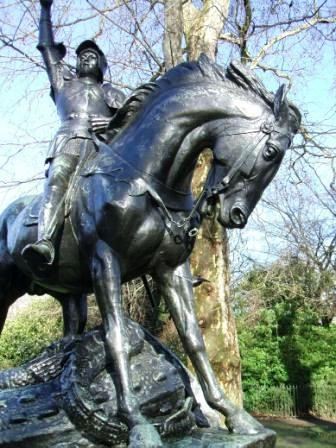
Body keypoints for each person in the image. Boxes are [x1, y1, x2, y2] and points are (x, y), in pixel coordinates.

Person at [22, 0, 125, 270]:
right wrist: (45, 10)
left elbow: (134, 127)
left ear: (102, 64)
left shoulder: (112, 94)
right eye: (82, 56)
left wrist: (113, 125)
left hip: (102, 152)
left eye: (93, 55)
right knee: (58, 180)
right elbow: (47, 48)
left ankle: (152, 254)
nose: (86, 58)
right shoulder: (63, 83)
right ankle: (45, 240)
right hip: (68, 143)